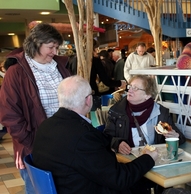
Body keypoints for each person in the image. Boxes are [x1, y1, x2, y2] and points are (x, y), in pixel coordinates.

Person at [31, 75, 158, 194]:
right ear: (88, 100)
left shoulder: (45, 126)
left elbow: (95, 143)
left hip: (66, 186)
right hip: (87, 189)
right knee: (142, 182)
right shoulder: (81, 136)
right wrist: (148, 158)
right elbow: (119, 179)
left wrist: (115, 142)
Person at [0, 23, 71, 193]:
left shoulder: (60, 66)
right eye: (51, 47)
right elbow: (9, 114)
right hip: (34, 146)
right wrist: (32, 143)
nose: (55, 52)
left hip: (64, 143)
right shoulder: (16, 72)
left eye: (56, 47)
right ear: (36, 43)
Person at [104, 74, 186, 153]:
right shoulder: (116, 111)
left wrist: (175, 137)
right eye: (130, 86)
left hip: (154, 158)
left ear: (148, 95)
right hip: (127, 160)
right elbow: (106, 137)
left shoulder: (161, 112)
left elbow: (180, 138)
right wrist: (117, 144)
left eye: (135, 88)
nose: (130, 90)